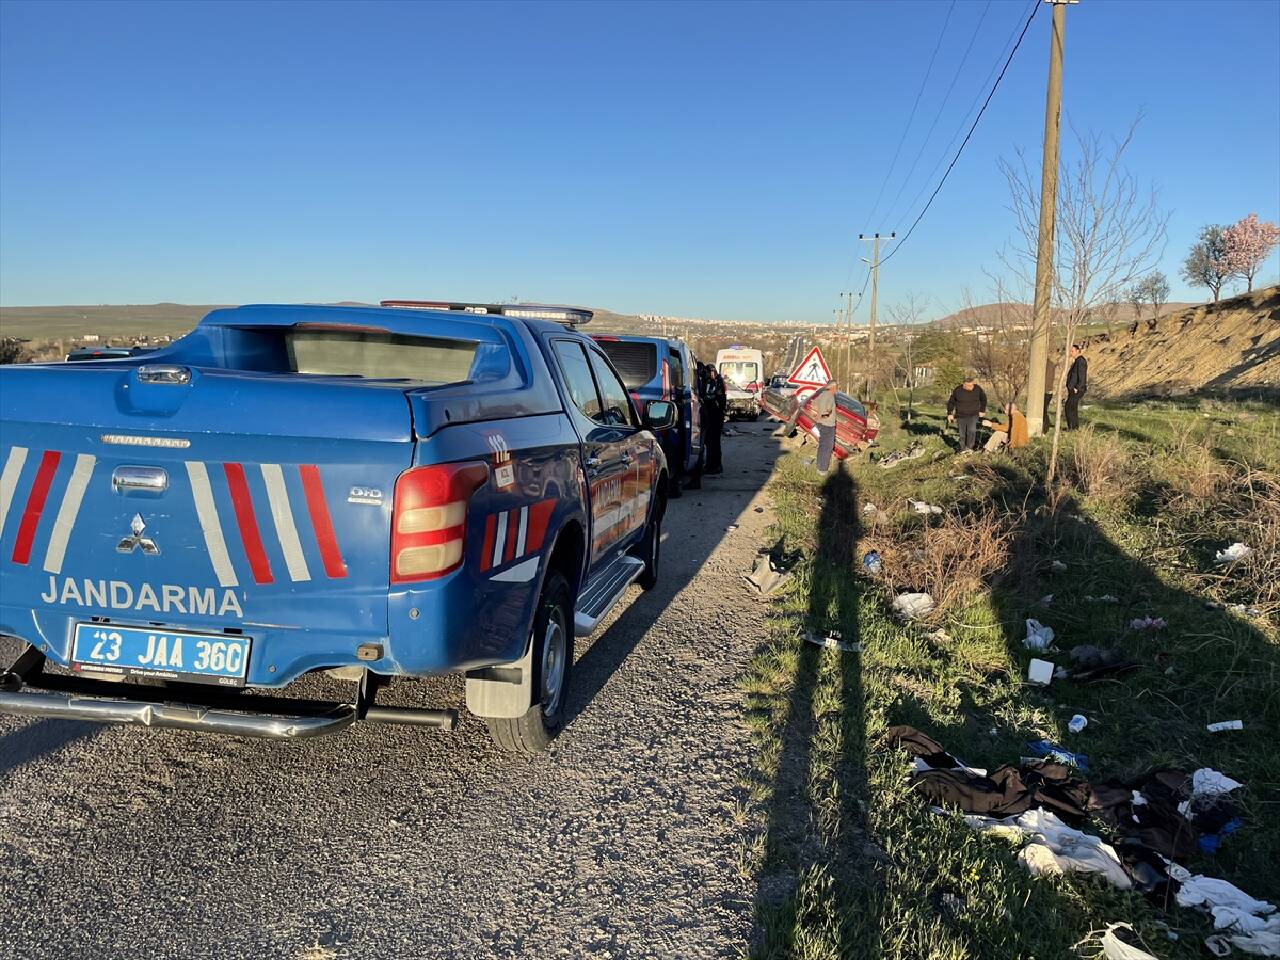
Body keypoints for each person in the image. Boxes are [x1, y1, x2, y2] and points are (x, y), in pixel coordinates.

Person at [946, 374, 987, 452]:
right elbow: (951, 402)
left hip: (973, 414)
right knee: (962, 434)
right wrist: (950, 413)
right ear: (964, 385)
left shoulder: (977, 389)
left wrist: (982, 410)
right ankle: (962, 449)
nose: (971, 387)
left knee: (971, 431)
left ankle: (969, 448)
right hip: (960, 415)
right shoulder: (957, 390)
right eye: (969, 386)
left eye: (972, 385)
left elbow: (983, 399)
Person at [700, 363, 725, 474]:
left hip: (714, 415)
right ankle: (713, 465)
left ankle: (714, 466)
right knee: (713, 442)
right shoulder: (717, 380)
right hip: (717, 414)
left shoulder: (713, 382)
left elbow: (708, 396)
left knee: (712, 442)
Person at [1064, 344, 1088, 431]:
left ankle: (1072, 427)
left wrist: (1077, 388)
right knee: (1072, 407)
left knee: (1069, 407)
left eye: (1072, 351)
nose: (1071, 353)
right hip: (1073, 389)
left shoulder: (1080, 361)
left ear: (1078, 351)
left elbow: (1082, 376)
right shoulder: (1077, 361)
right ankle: (1074, 427)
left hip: (1077, 390)